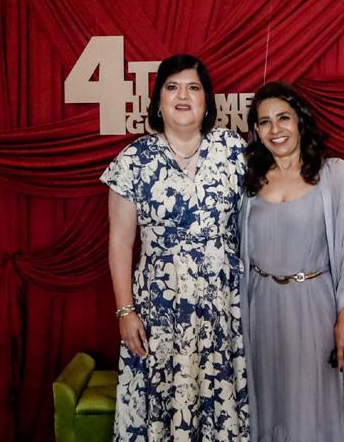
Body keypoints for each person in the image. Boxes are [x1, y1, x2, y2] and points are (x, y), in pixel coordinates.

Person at [102, 54, 249, 441]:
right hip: (160, 308)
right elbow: (120, 242)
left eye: (193, 88)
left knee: (219, 401)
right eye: (172, 87)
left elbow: (263, 218)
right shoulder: (134, 159)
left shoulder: (234, 150)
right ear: (158, 101)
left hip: (223, 306)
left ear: (207, 102)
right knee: (164, 404)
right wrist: (125, 310)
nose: (183, 96)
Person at [239, 81, 344, 441]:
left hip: (314, 306)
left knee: (317, 404)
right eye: (264, 122)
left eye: (283, 118)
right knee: (268, 401)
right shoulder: (248, 179)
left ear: (300, 121)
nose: (275, 129)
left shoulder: (334, 174)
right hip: (260, 308)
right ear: (256, 130)